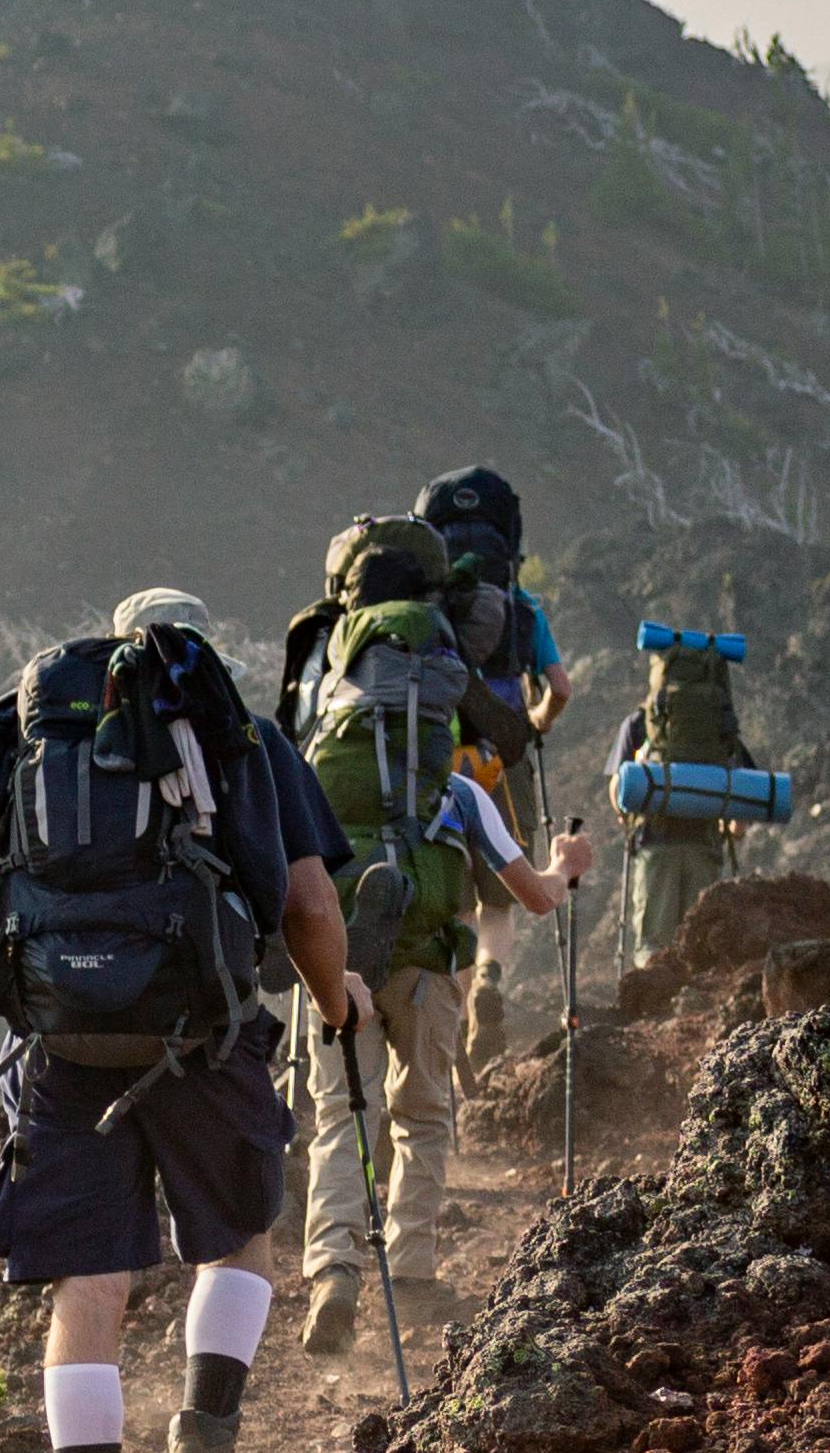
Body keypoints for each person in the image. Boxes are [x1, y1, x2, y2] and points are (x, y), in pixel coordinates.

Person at [0, 589, 367, 1453]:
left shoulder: (24, 737)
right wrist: (331, 999)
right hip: (199, 1036)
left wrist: (59, 994)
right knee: (238, 1247)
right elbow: (309, 906)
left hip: (64, 1051)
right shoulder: (242, 737)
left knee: (87, 1290)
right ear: (200, 649)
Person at [284, 605, 596, 1350]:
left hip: (338, 971)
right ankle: (414, 1276)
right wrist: (567, 864)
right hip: (429, 971)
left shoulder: (316, 779)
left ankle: (333, 1271)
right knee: (421, 1118)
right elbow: (534, 897)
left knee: (338, 1119)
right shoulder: (458, 792)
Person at [415, 467, 573, 1067]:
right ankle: (491, 983)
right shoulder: (523, 605)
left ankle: (450, 1019)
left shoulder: (427, 607)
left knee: (452, 904)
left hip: (436, 763)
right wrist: (533, 724)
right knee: (499, 902)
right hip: (502, 764)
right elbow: (560, 688)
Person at [611, 621, 766, 971]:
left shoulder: (641, 722)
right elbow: (743, 809)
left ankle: (649, 1017)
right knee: (703, 950)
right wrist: (728, 829)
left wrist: (632, 814)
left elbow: (618, 791)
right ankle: (693, 1014)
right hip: (704, 846)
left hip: (656, 843)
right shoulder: (722, 725)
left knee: (653, 947)